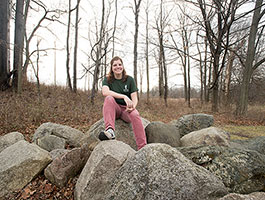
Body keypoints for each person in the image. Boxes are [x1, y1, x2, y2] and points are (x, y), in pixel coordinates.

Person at [98, 56, 147, 150]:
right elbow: (105, 92)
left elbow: (134, 98)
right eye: (115, 65)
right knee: (108, 98)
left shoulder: (129, 79)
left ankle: (142, 147)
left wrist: (132, 107)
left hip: (126, 110)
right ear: (111, 68)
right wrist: (124, 96)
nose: (118, 67)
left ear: (123, 66)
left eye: (120, 64)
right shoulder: (108, 79)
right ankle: (110, 131)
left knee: (136, 114)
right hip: (115, 109)